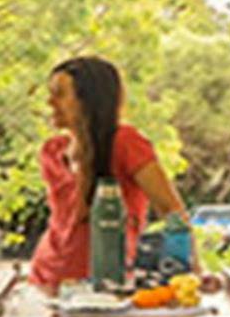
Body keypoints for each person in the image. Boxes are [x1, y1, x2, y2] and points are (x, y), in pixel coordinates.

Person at [30, 54, 194, 292]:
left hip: (106, 287)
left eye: (60, 94)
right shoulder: (52, 152)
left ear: (89, 101)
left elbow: (171, 211)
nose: (49, 102)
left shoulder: (125, 143)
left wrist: (192, 275)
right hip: (44, 280)